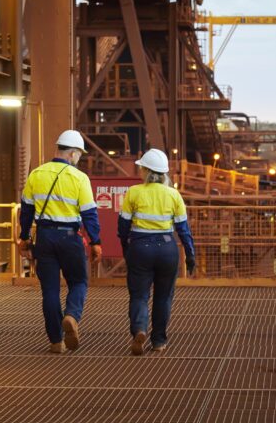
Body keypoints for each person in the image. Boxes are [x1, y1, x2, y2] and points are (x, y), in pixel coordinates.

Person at [18, 130, 103, 353]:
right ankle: (72, 316)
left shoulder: (36, 174)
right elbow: (90, 214)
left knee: (50, 291)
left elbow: (26, 211)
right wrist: (95, 241)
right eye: (79, 155)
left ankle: (56, 341)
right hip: (70, 238)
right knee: (78, 282)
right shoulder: (79, 178)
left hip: (44, 238)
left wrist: (24, 238)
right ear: (73, 154)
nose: (79, 159)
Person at [118, 148, 195, 355]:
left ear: (145, 170)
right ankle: (159, 340)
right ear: (164, 174)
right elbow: (184, 230)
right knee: (163, 297)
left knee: (139, 295)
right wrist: (190, 254)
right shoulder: (174, 195)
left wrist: (126, 248)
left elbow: (123, 226)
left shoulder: (134, 192)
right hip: (167, 249)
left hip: (140, 248)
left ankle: (139, 330)